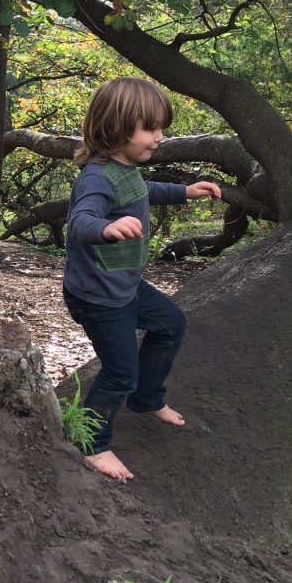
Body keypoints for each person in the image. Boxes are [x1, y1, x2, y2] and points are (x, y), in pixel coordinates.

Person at [62, 77, 221, 481]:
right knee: (120, 372)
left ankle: (147, 399)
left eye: (160, 128)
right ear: (116, 126)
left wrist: (186, 191)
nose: (159, 137)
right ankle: (92, 444)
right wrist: (105, 229)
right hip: (99, 297)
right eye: (150, 128)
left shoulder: (125, 169)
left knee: (171, 325)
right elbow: (81, 219)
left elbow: (142, 190)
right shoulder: (97, 177)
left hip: (124, 286)